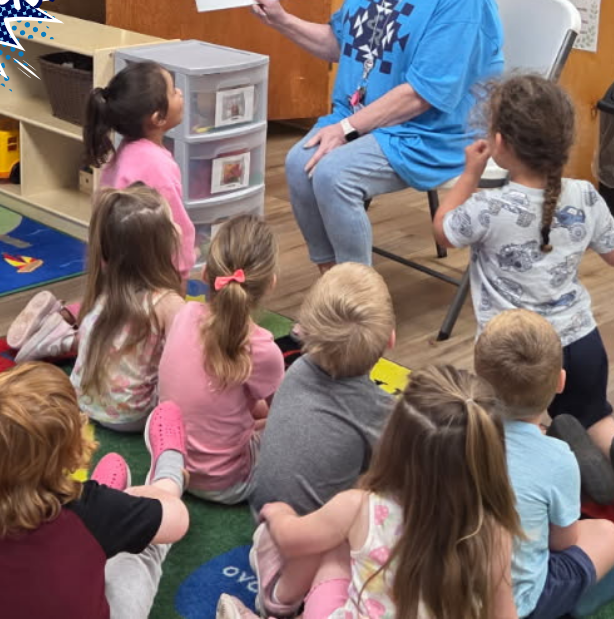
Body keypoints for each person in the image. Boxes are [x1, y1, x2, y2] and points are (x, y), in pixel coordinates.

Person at [433, 74, 614, 528]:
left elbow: (442, 229)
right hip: (581, 342)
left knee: (511, 424)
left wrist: (470, 175)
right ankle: (613, 446)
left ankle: (554, 451)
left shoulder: (488, 208)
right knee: (595, 413)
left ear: (499, 142)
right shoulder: (584, 194)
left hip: (516, 352)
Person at [251, 0, 503, 271]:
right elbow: (340, 45)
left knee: (334, 176)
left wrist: (346, 129)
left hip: (429, 133)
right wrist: (281, 20)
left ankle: (360, 308)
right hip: (364, 117)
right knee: (298, 166)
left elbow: (425, 94)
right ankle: (335, 286)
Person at [218, 365, 521, 619]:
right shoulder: (495, 532)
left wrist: (278, 513)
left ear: (394, 441)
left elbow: (291, 538)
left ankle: (273, 606)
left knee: (331, 547)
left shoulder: (361, 508)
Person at [0, 363, 190, 619]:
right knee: (146, 546)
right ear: (71, 450)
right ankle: (170, 466)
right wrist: (139, 497)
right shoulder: (87, 508)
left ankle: (120, 514)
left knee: (97, 530)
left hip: (81, 530)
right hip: (100, 516)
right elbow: (177, 522)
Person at [475, 310, 614, 619]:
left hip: (441, 588)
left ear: (478, 380)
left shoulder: (448, 435)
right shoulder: (558, 458)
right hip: (519, 603)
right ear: (561, 381)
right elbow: (562, 542)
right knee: (608, 535)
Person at [250, 263, 396, 519]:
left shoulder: (297, 370)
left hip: (261, 521)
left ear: (303, 331)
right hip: (314, 544)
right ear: (390, 340)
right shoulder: (379, 409)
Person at [158, 215, 283, 504]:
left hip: (174, 468)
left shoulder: (183, 315)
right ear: (270, 283)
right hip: (229, 483)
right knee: (290, 426)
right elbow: (284, 417)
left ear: (205, 275)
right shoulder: (263, 349)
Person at [71, 185, 185, 431]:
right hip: (132, 417)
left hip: (84, 402)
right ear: (157, 246)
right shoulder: (167, 303)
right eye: (171, 222)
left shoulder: (107, 284)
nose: (177, 228)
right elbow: (185, 362)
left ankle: (51, 333)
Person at [84, 59, 196, 279]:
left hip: (117, 271)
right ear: (158, 118)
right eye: (173, 92)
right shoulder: (155, 165)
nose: (180, 93)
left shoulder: (126, 151)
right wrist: (182, 270)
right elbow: (175, 228)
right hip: (149, 277)